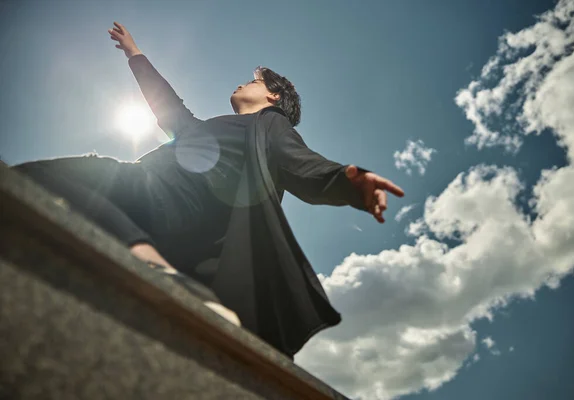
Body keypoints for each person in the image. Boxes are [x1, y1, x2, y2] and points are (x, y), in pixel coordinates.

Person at [12, 21, 404, 359]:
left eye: (254, 80)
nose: (242, 82)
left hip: (183, 202)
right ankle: (154, 265)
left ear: (274, 96)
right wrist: (135, 55)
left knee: (78, 176)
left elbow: (300, 164)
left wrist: (350, 183)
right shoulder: (200, 128)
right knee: (40, 179)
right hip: (147, 197)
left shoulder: (270, 126)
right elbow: (169, 106)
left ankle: (151, 263)